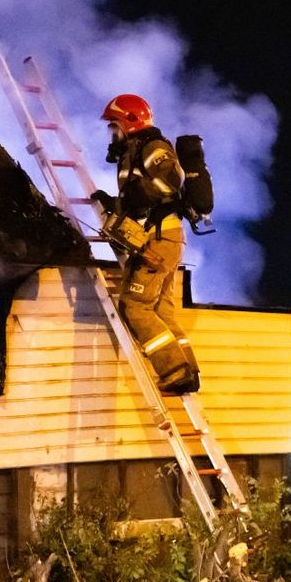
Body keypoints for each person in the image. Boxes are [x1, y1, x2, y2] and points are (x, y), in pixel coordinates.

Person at [90, 94, 200, 394]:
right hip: (166, 237)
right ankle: (188, 369)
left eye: (114, 126)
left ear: (129, 121)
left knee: (135, 307)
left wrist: (139, 196)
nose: (112, 133)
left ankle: (175, 371)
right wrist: (115, 203)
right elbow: (137, 199)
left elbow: (171, 180)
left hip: (160, 238)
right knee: (162, 312)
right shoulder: (134, 151)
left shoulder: (152, 147)